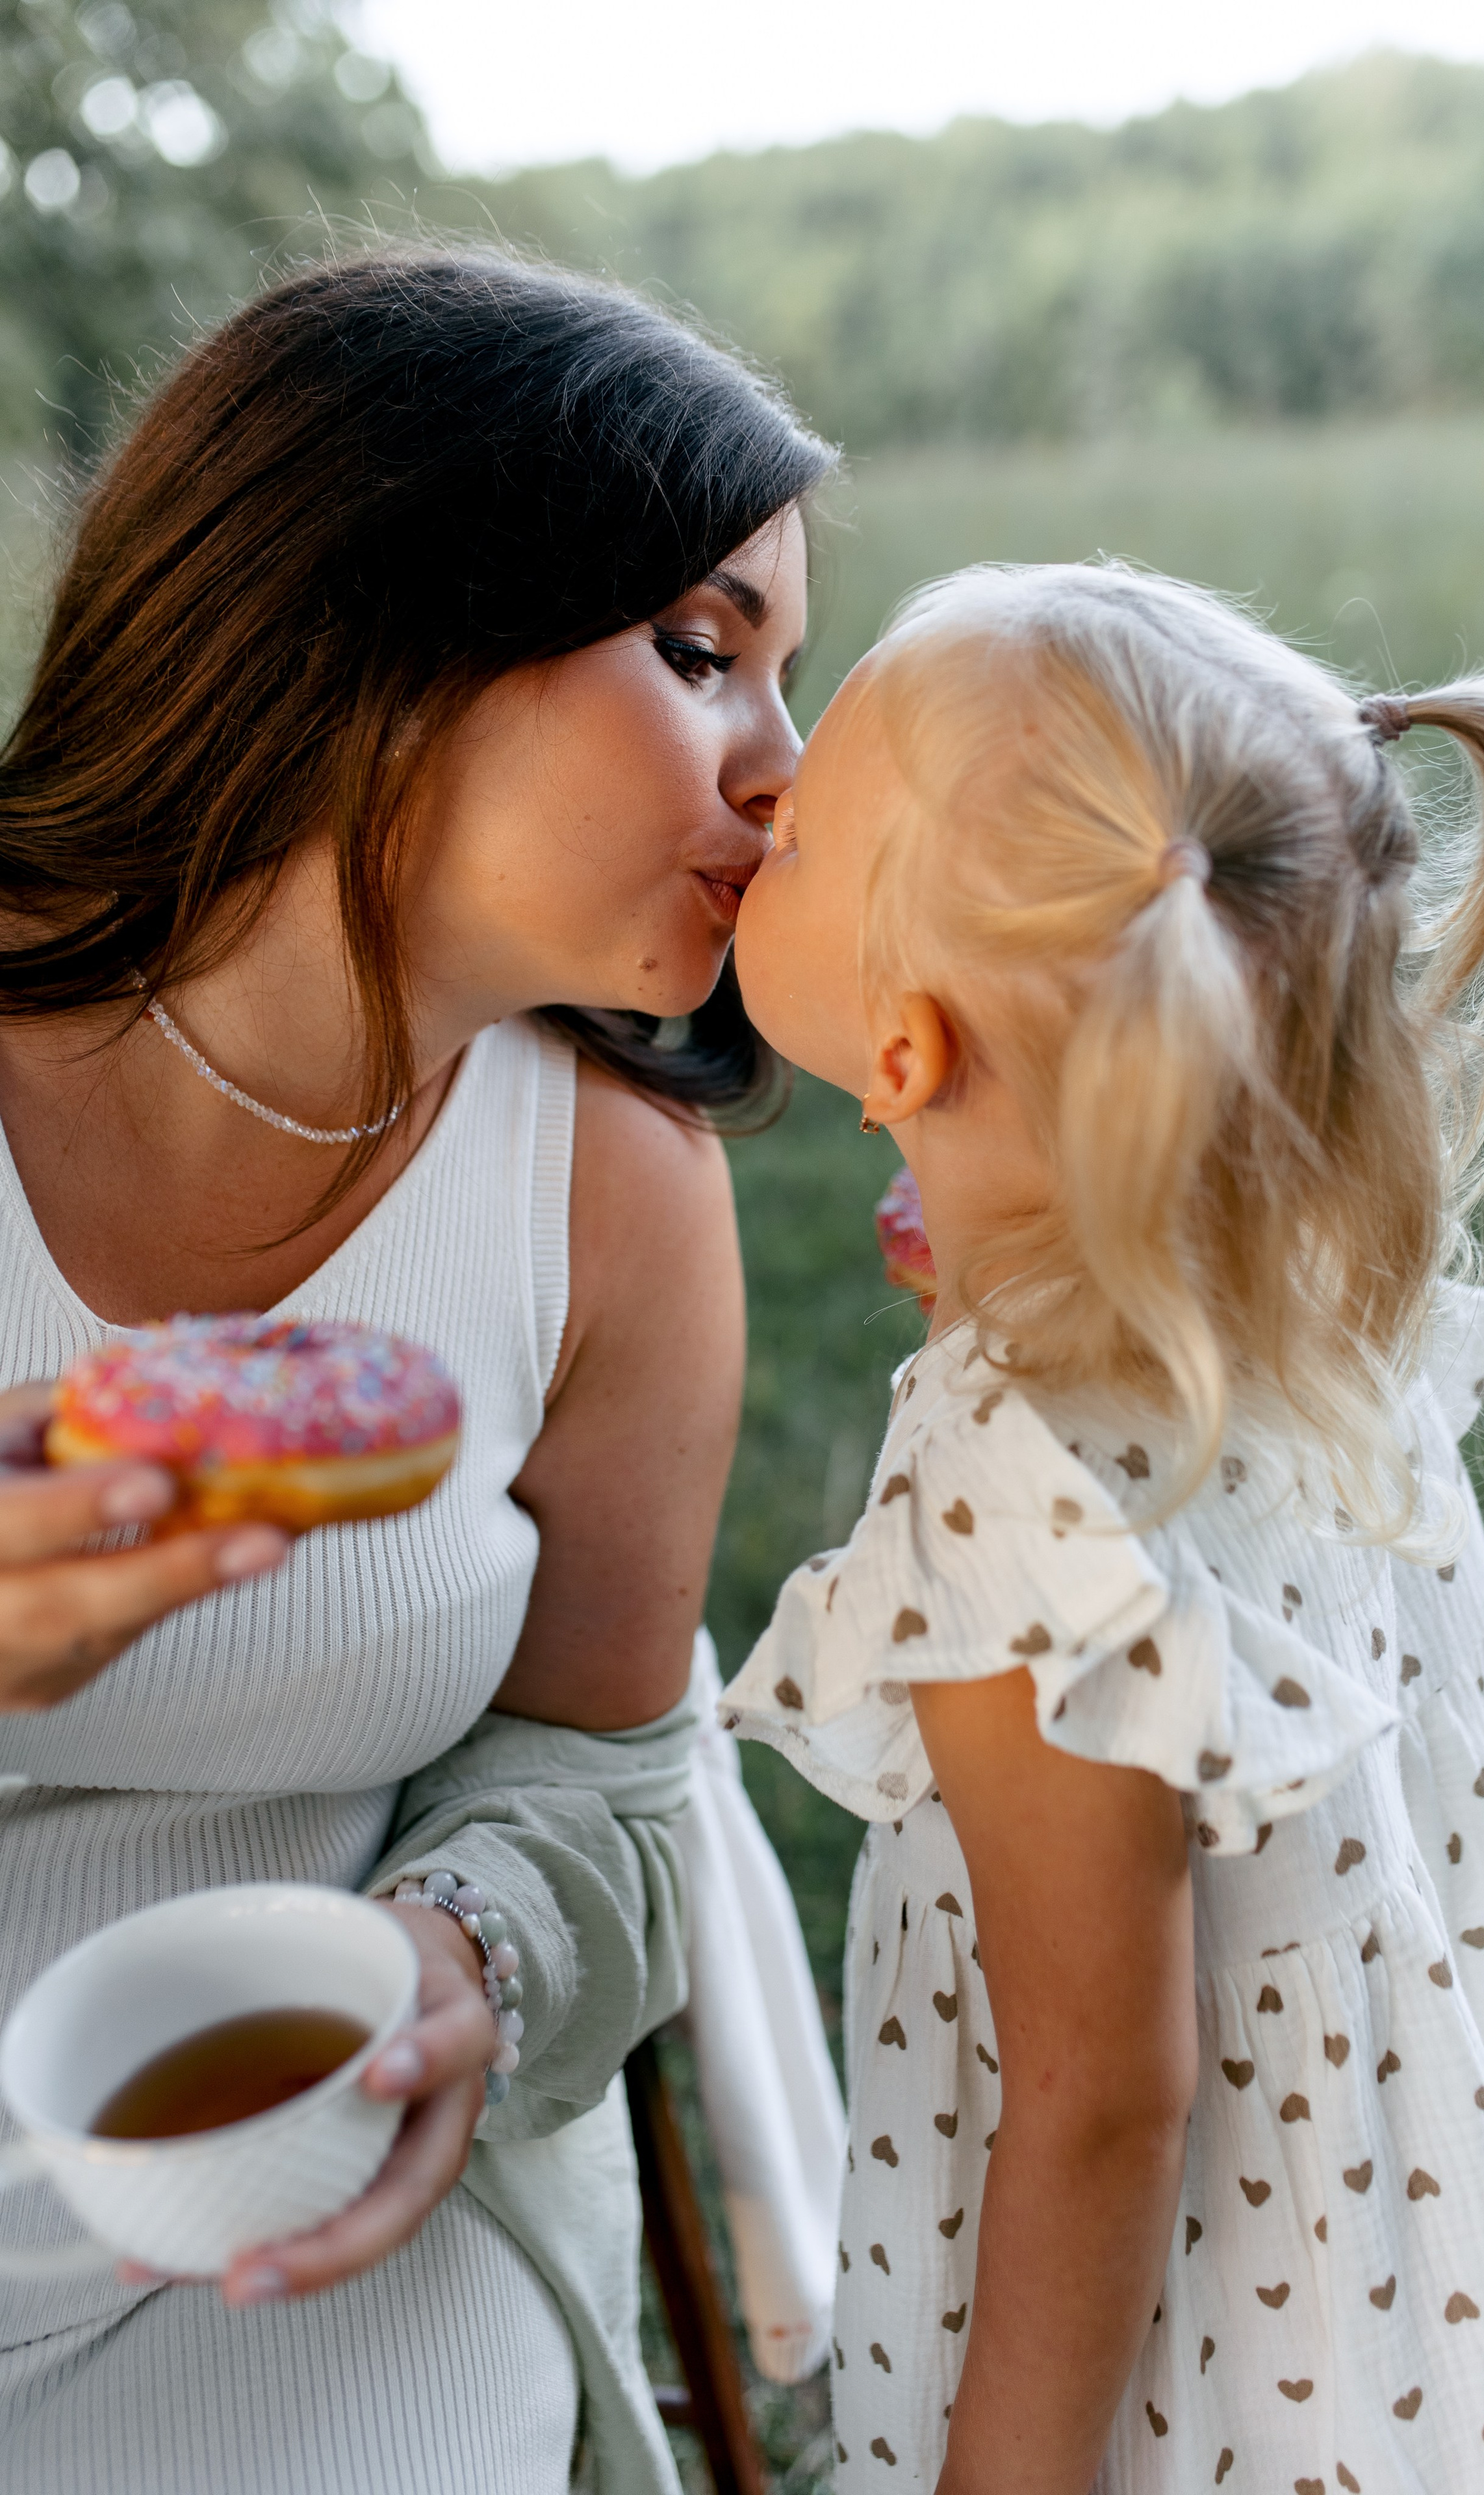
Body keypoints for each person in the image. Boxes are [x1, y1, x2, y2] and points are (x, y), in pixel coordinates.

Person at [0, 248, 830, 2492]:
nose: (790, 769)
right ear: (369, 633)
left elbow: (607, 1771)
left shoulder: (618, 1195)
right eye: (699, 652)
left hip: (321, 2222)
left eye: (788, 670)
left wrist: (472, 1950)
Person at [723, 561, 1484, 2492]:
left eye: (806, 828)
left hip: (1214, 2344)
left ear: (903, 1056)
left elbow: (1096, 2101)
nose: (766, 795)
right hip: (1416, 2238)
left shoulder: (1009, 1498)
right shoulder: (1279, 1286)